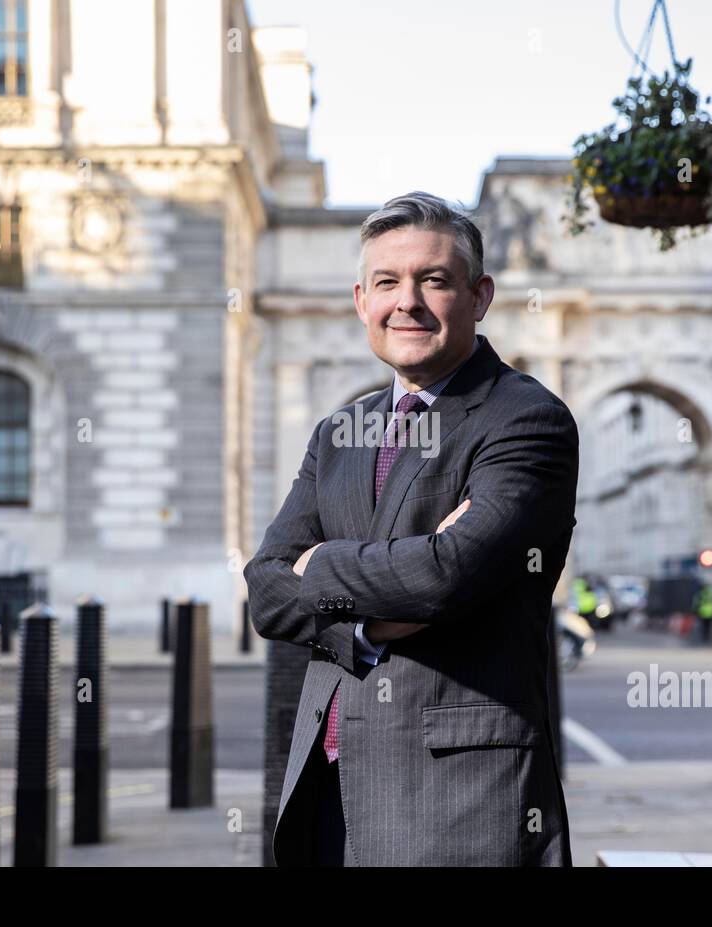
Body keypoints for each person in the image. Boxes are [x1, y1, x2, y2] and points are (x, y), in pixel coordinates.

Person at [243, 192, 578, 867]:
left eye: (434, 280)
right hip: (326, 787)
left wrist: (320, 567)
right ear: (361, 300)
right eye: (388, 282)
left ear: (479, 295)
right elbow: (266, 592)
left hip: (456, 801)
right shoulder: (338, 433)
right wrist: (368, 619)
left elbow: (445, 577)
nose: (409, 302)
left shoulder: (525, 420)